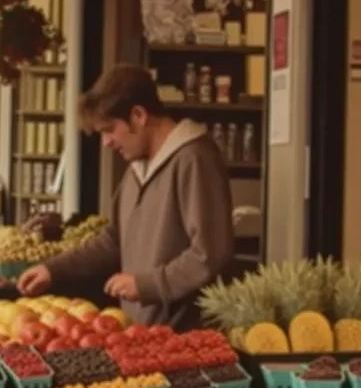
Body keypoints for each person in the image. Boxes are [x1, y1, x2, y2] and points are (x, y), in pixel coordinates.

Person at [17, 65, 235, 328]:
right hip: (141, 335)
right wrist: (53, 270)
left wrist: (146, 285)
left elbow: (209, 254)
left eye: (109, 130)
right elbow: (114, 241)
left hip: (184, 342)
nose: (106, 142)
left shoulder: (195, 159)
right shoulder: (135, 170)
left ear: (139, 115)